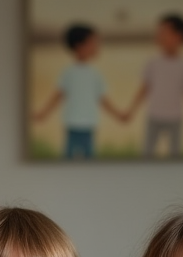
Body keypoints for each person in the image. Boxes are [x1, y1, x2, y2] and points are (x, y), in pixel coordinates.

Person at [33, 24, 127, 159]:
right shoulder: (68, 73)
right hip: (72, 124)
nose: (96, 47)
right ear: (79, 46)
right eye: (93, 43)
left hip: (88, 125)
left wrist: (119, 115)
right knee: (69, 156)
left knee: (89, 157)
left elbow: (103, 100)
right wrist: (43, 113)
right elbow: (58, 95)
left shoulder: (95, 74)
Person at [123, 13, 183, 158]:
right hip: (154, 115)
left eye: (163, 32)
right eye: (158, 32)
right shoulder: (152, 63)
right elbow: (144, 89)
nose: (158, 36)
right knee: (147, 153)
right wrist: (131, 110)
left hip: (175, 117)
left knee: (176, 154)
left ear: (179, 36)